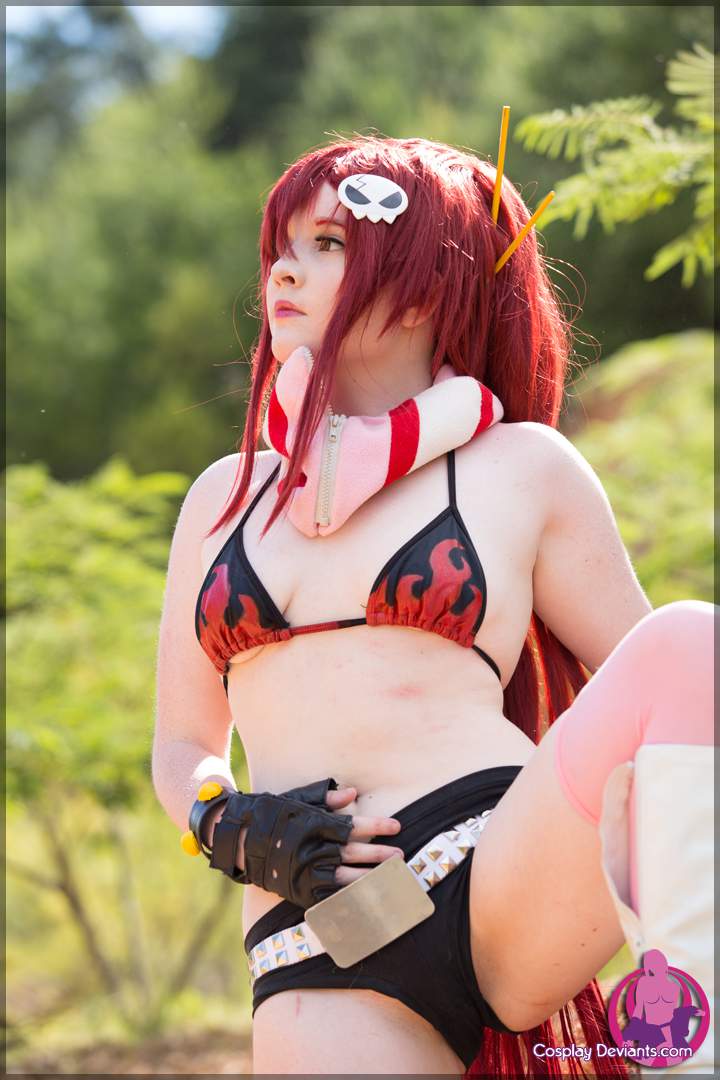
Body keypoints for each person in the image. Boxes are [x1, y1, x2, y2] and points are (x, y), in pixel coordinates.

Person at [153, 135, 714, 1077]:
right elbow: (181, 742)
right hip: (330, 919)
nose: (283, 269)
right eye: (280, 248)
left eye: (328, 244)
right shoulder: (225, 495)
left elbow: (667, 714)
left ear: (422, 289)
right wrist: (225, 819)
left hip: (500, 865)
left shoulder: (522, 468)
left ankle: (698, 1040)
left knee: (690, 644)